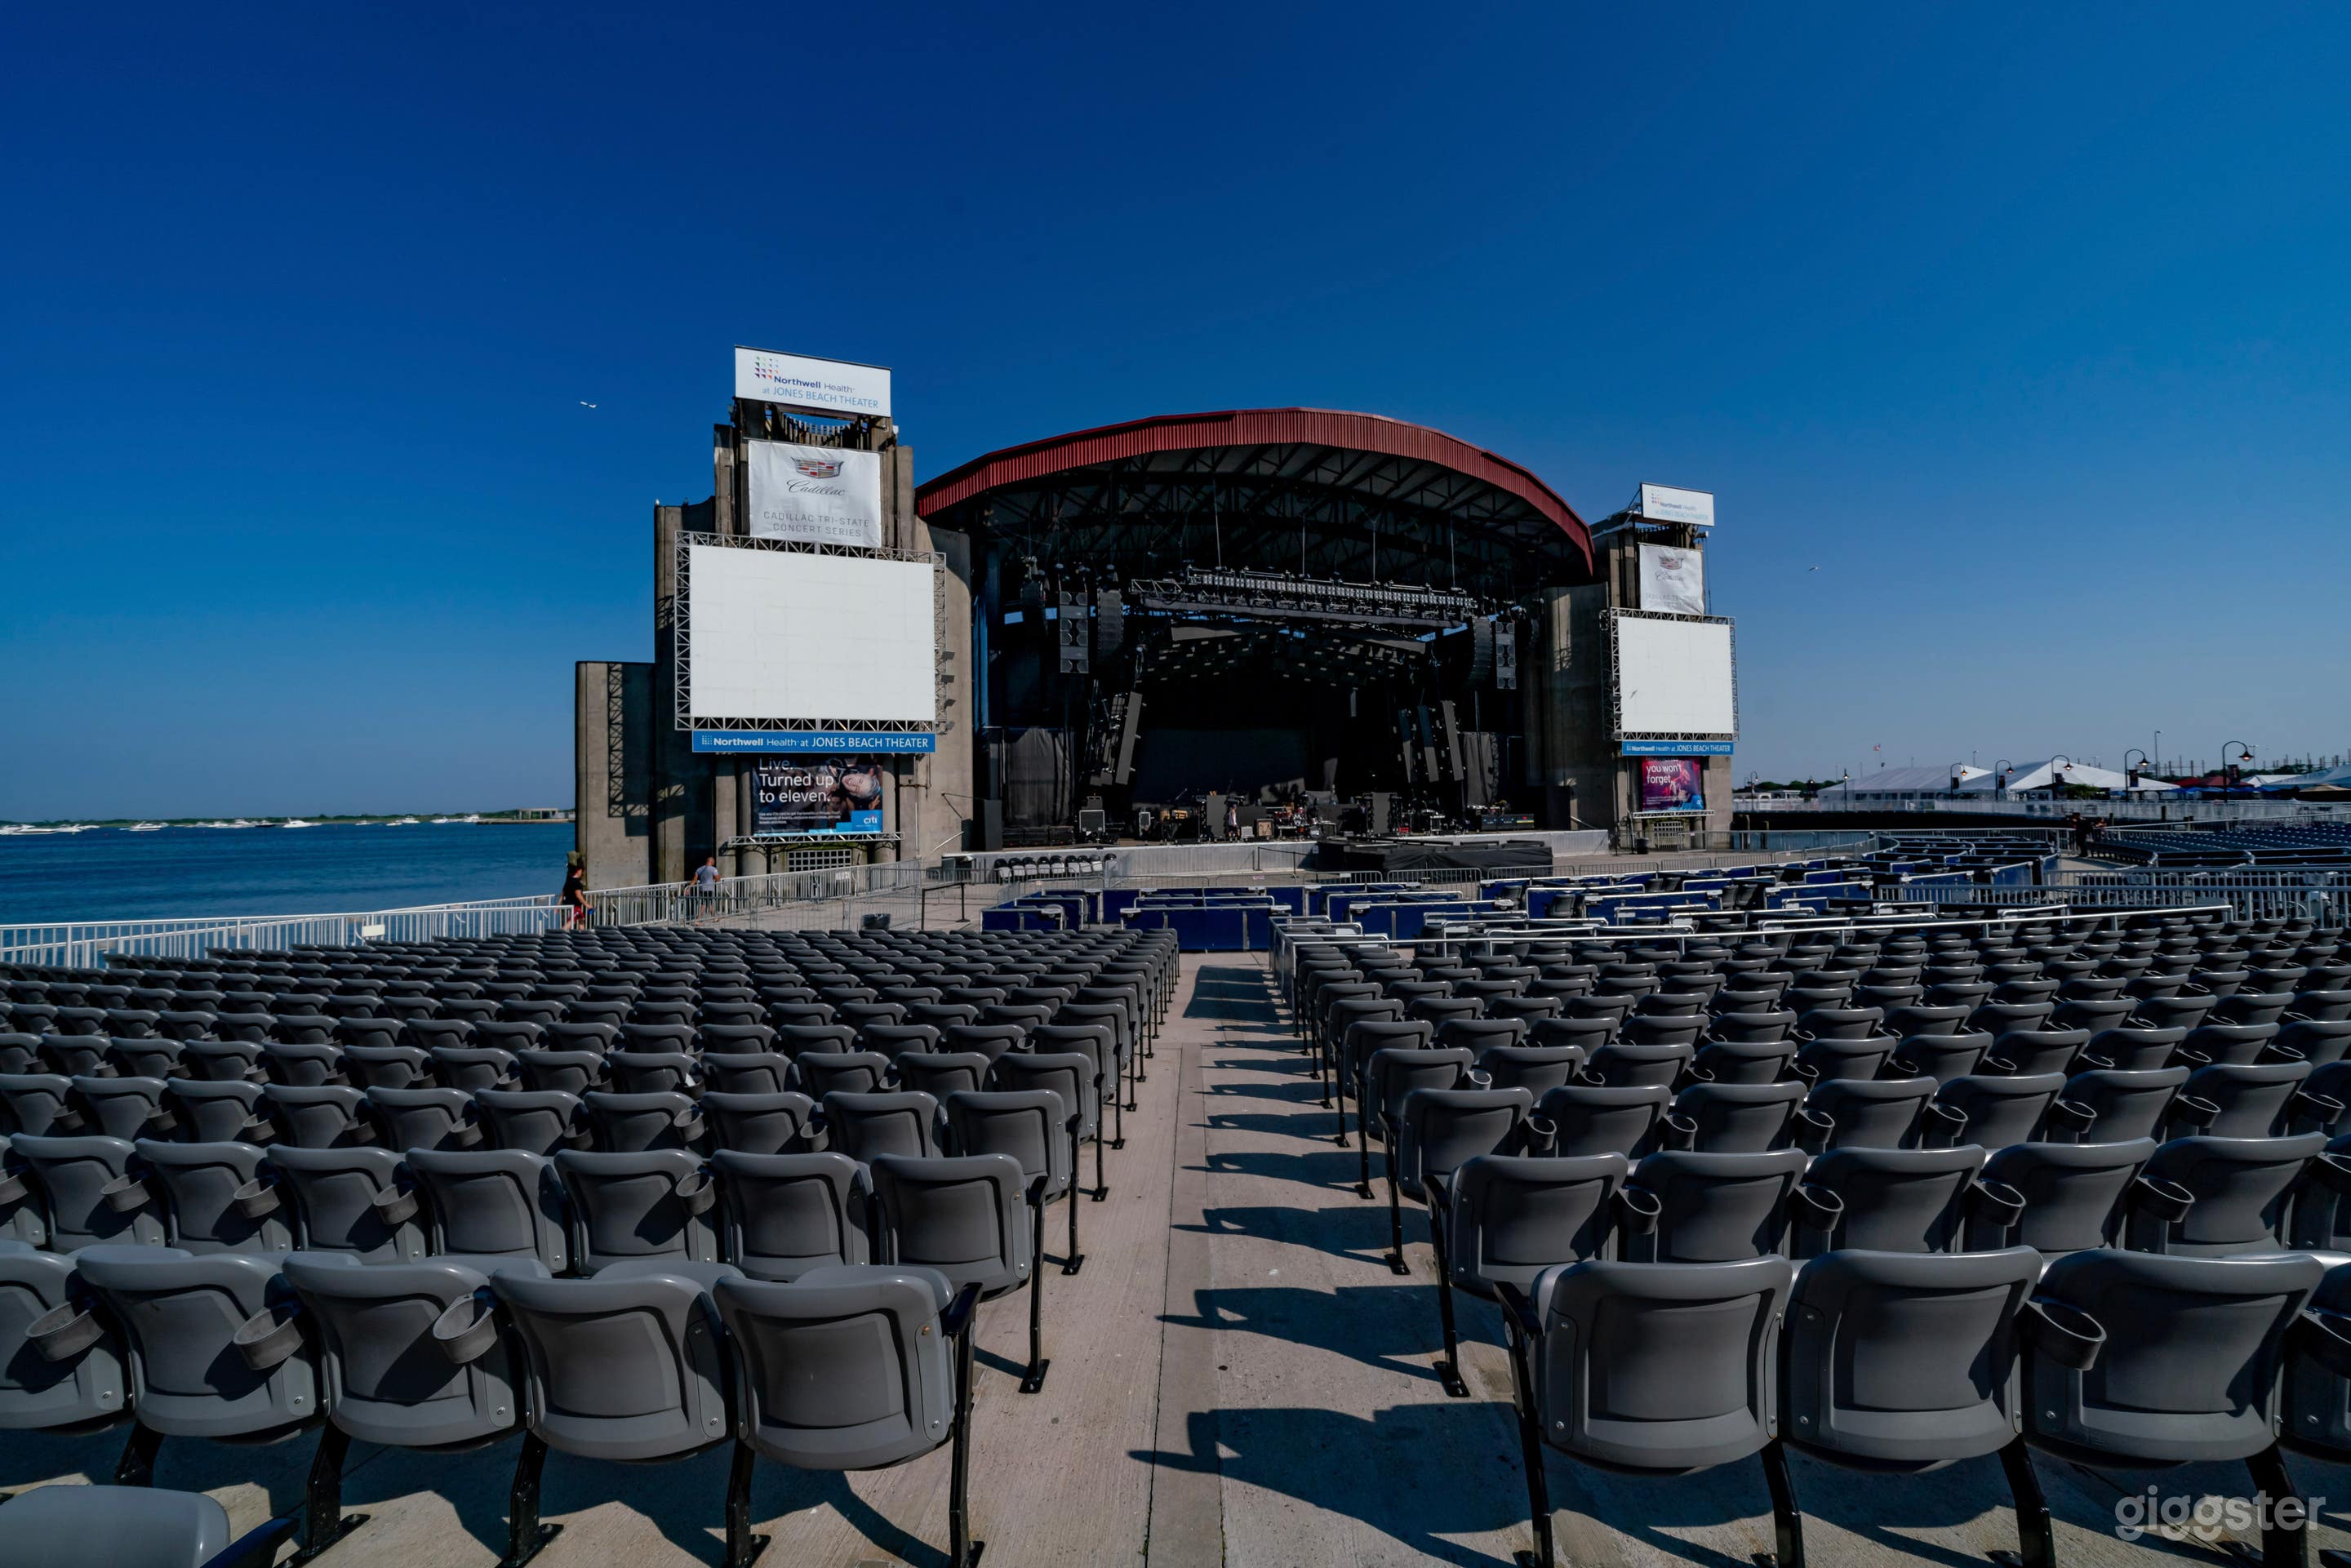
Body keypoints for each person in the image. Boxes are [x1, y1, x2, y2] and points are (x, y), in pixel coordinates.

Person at [560, 862, 590, 929]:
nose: (582, 873)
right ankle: (558, 935)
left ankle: (583, 936)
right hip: (575, 906)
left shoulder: (569, 881)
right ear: (578, 871)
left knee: (581, 920)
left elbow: (563, 893)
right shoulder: (577, 882)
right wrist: (587, 905)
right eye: (582, 871)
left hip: (570, 904)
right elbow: (578, 895)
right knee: (571, 922)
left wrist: (558, 905)